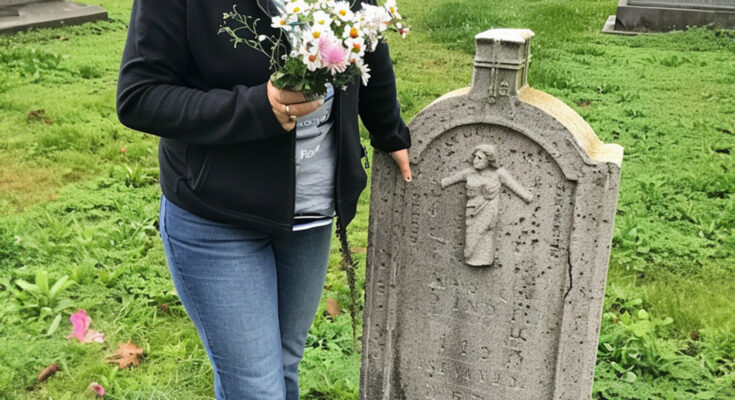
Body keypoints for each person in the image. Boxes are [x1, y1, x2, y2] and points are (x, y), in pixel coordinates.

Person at [115, 0, 412, 398]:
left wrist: (389, 130)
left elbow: (367, 38)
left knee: (284, 366)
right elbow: (140, 95)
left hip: (311, 213)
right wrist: (257, 107)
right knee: (255, 388)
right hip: (217, 215)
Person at [440, 144, 531, 266]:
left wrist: (527, 197)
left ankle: (484, 260)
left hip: (488, 212)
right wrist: (443, 183)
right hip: (472, 212)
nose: (475, 160)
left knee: (486, 239)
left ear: (489, 160)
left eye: (479, 158)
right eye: (474, 157)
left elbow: (517, 189)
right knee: (470, 245)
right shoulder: (469, 172)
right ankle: (472, 258)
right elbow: (448, 181)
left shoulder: (499, 174)